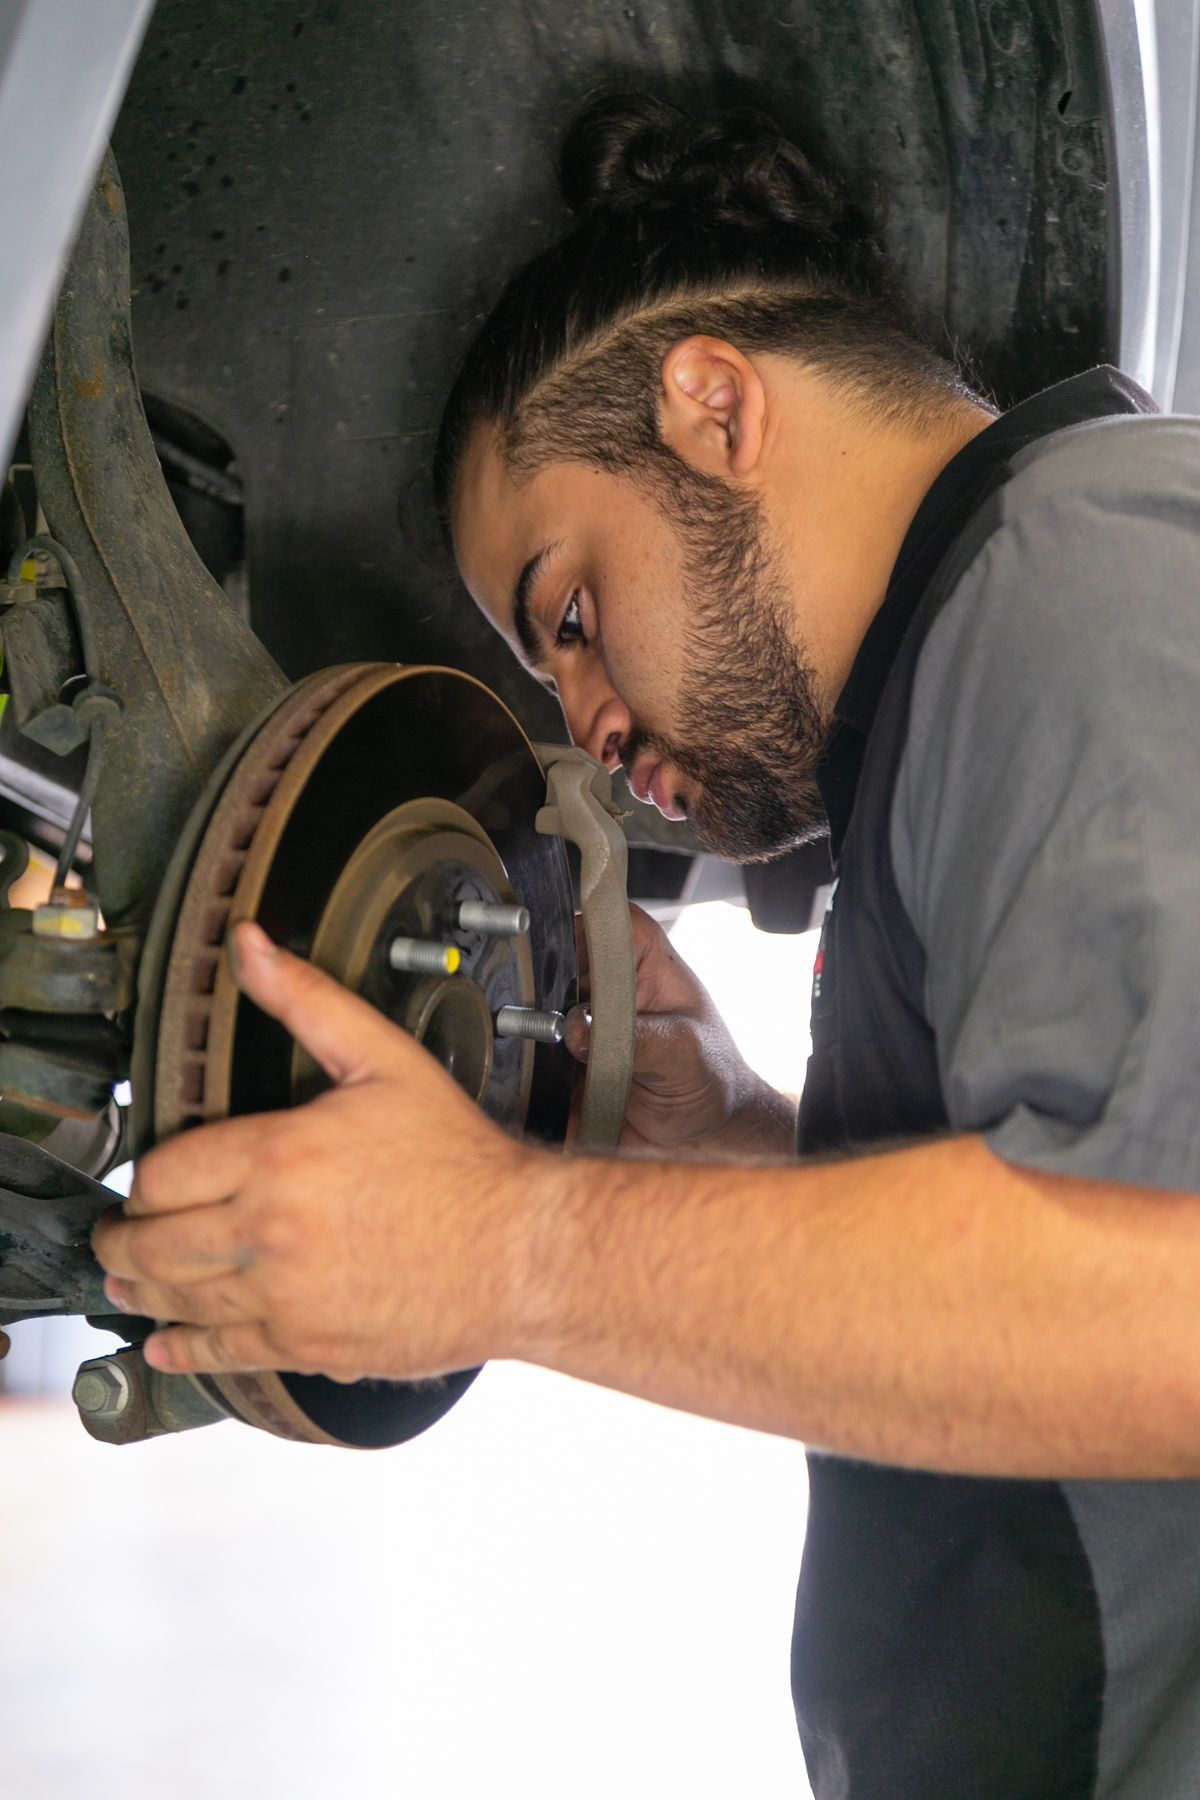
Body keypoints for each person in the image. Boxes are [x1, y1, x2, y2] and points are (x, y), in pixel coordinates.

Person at [93, 94, 1200, 1798]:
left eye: (573, 612)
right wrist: (751, 1143)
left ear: (710, 404)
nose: (586, 725)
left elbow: (1163, 1308)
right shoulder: (983, 660)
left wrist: (507, 1254)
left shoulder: (1075, 580)